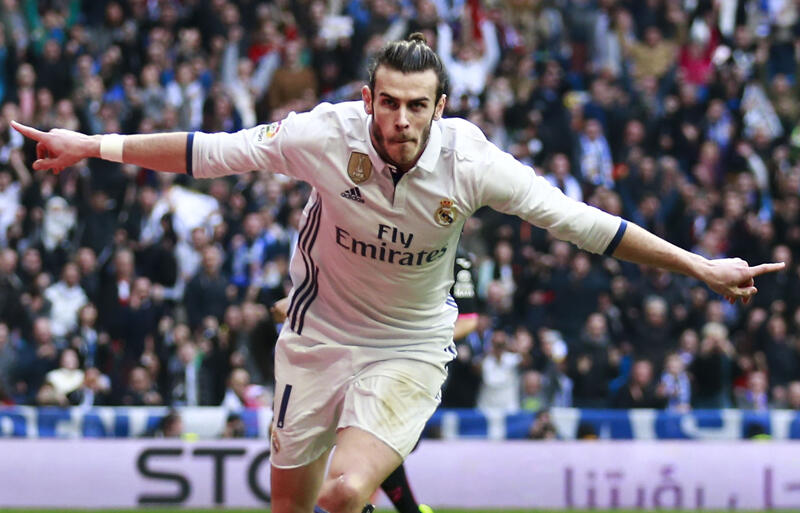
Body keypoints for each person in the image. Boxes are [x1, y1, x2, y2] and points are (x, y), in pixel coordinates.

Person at [12, 33, 784, 513]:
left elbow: (582, 223)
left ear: (441, 106)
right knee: (293, 505)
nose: (401, 120)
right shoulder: (323, 135)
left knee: (346, 491)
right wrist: (92, 145)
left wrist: (696, 265)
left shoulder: (471, 161)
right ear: (367, 100)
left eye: (417, 105)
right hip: (315, 336)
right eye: (389, 103)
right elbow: (208, 152)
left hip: (409, 345)